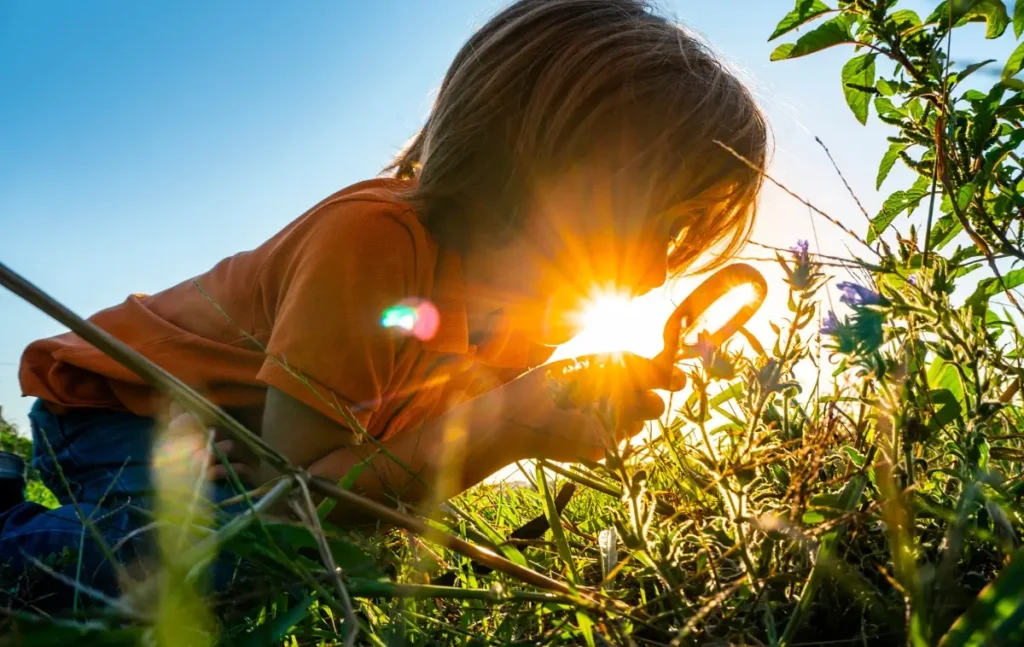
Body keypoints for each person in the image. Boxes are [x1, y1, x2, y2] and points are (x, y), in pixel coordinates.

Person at [0, 0, 768, 606]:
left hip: (261, 444)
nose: (667, 261)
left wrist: (538, 414)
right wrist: (507, 429)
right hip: (125, 406)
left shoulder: (537, 315)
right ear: (540, 159)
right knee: (220, 566)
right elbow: (302, 497)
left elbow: (391, 472)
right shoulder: (374, 245)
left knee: (332, 554)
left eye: (688, 233)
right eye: (661, 217)